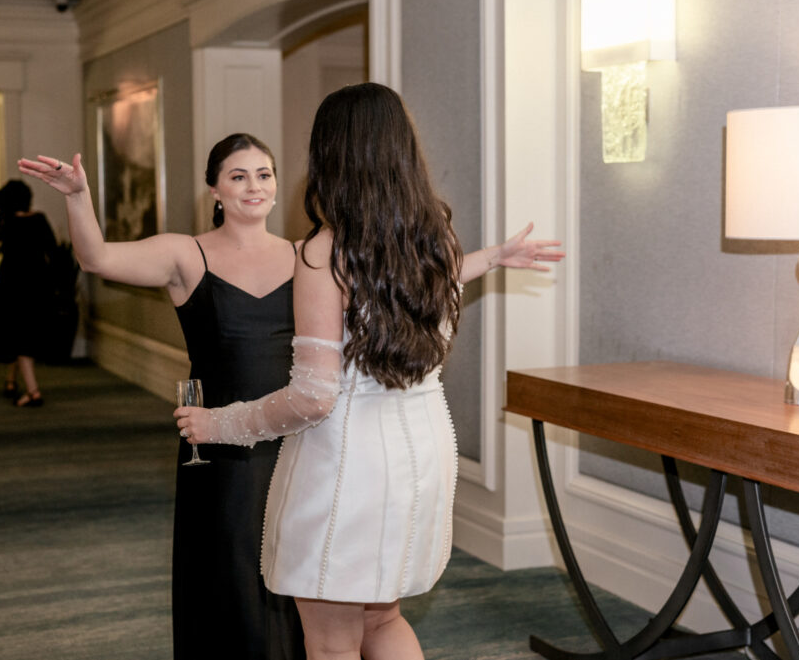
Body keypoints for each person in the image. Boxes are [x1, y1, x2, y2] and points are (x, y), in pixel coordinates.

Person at [174, 82, 564, 659]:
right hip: (423, 454)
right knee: (383, 620)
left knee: (331, 643)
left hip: (347, 464)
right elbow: (436, 276)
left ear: (330, 155)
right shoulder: (429, 238)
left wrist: (221, 424)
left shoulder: (324, 252)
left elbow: (313, 397)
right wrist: (494, 258)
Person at [19, 134, 308, 660]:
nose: (254, 186)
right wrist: (78, 196)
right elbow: (97, 259)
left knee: (297, 571)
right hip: (219, 447)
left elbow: (394, 281)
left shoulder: (303, 257)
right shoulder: (185, 253)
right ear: (215, 189)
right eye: (238, 176)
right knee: (231, 572)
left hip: (295, 437)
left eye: (263, 174)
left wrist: (490, 258)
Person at [0, 179, 57, 408]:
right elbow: (53, 252)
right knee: (24, 333)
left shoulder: (3, 221)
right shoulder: (40, 220)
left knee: (17, 335)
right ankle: (10, 381)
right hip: (37, 284)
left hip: (10, 285)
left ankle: (33, 392)